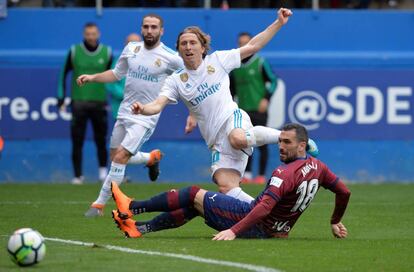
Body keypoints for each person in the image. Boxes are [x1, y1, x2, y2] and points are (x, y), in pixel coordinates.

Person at [131, 8, 319, 203]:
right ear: (178, 50)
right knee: (226, 187)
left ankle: (284, 136)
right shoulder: (175, 80)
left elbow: (253, 46)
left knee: (237, 138)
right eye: (183, 43)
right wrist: (143, 109)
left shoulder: (218, 60)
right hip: (216, 140)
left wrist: (279, 23)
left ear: (203, 48)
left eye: (193, 42)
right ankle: (263, 211)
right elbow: (157, 104)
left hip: (232, 119)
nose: (188, 47)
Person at [110, 123, 350, 240]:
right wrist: (335, 220)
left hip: (256, 224)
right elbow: (344, 192)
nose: (280, 146)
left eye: (287, 142)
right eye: (280, 140)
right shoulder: (319, 168)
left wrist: (234, 232)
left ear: (301, 146)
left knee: (194, 193)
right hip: (277, 231)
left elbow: (263, 208)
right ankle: (140, 228)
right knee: (200, 204)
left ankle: (131, 207)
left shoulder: (283, 173)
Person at [76, 14, 184, 217]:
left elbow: (188, 81)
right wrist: (93, 77)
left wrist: (193, 110)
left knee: (120, 157)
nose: (149, 31)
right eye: (146, 27)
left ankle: (99, 204)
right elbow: (117, 74)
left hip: (146, 116)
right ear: (142, 29)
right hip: (124, 112)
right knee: (115, 157)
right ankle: (151, 158)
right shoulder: (131, 49)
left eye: (154, 27)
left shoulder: (172, 57)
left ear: (162, 31)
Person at [57, 22, 113, 185]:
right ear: (84, 34)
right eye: (88, 34)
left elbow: (114, 76)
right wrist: (60, 97)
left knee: (101, 139)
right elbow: (63, 74)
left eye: (93, 33)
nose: (91, 36)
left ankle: (103, 174)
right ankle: (77, 176)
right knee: (77, 140)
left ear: (99, 34)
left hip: (99, 102)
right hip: (79, 102)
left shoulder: (107, 52)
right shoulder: (74, 51)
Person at [230, 32, 277, 185]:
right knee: (245, 141)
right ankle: (247, 174)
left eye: (246, 42)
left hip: (259, 109)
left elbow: (274, 81)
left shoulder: (261, 62)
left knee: (261, 141)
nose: (244, 46)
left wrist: (266, 99)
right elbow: (231, 90)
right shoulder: (235, 66)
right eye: (241, 43)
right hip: (242, 111)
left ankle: (262, 175)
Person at [106, 33, 142, 119]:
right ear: (125, 44)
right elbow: (110, 82)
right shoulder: (118, 61)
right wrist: (125, 94)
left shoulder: (148, 62)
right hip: (121, 109)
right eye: (130, 43)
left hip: (142, 111)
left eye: (136, 43)